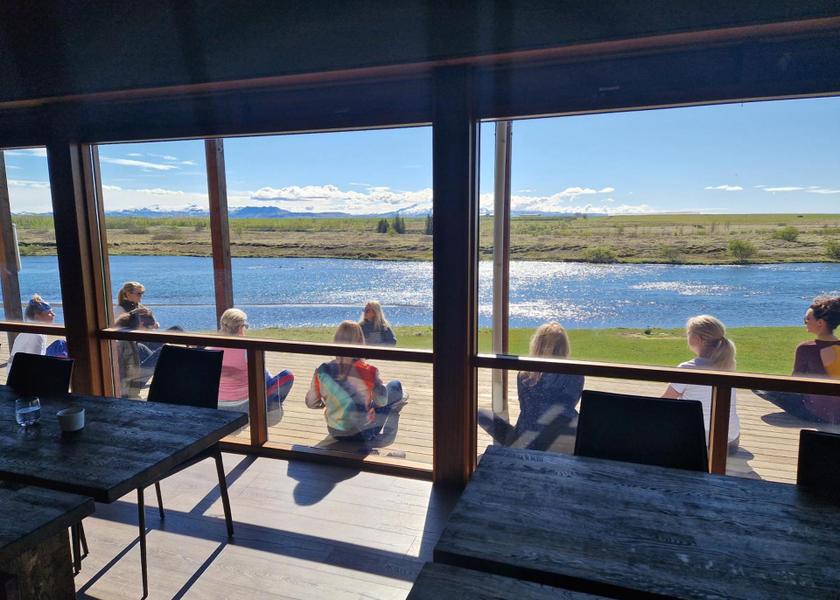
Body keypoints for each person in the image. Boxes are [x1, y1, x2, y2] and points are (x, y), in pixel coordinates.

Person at [478, 322, 584, 451]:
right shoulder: (575, 374)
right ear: (565, 347)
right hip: (563, 441)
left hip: (525, 440)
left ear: (536, 345)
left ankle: (504, 452)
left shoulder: (524, 375)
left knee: (480, 413)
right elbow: (570, 404)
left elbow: (528, 407)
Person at [305, 321, 407, 441]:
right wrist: (377, 383)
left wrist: (327, 404)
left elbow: (311, 403)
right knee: (395, 385)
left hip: (335, 430)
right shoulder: (370, 371)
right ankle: (400, 397)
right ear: (360, 343)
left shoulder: (323, 371)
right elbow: (382, 402)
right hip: (363, 432)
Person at [662, 315, 740, 453]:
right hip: (731, 436)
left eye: (688, 333)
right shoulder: (727, 366)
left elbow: (665, 401)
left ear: (697, 339)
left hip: (702, 437)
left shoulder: (687, 368)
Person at [756, 297, 840, 423]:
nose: (805, 322)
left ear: (820, 323)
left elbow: (795, 383)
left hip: (816, 413)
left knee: (759, 386)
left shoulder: (806, 348)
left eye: (807, 319)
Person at [207, 308, 294, 413]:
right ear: (240, 328)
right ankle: (270, 409)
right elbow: (264, 378)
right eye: (245, 326)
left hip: (217, 403)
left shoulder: (210, 350)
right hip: (244, 404)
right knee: (287, 375)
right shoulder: (247, 350)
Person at [115, 306, 159, 398]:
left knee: (141, 347)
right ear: (141, 324)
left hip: (127, 384)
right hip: (130, 389)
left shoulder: (122, 333)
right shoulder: (127, 343)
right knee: (161, 352)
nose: (150, 332)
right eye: (150, 328)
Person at [5, 295, 55, 376]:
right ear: (37, 316)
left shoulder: (29, 330)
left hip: (15, 371)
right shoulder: (36, 336)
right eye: (49, 312)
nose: (53, 314)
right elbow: (33, 364)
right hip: (21, 378)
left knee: (60, 344)